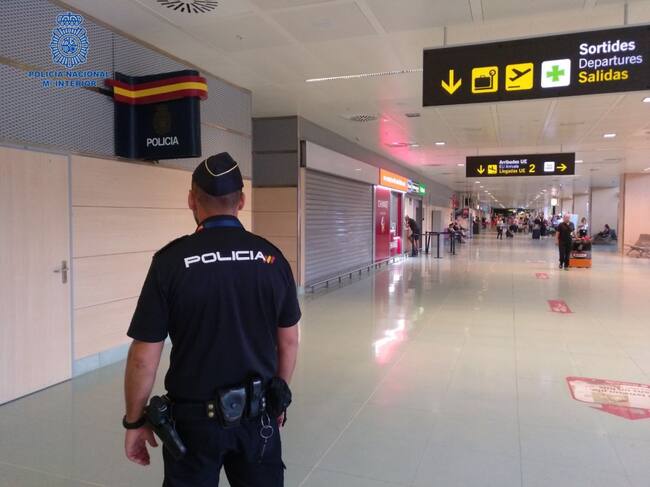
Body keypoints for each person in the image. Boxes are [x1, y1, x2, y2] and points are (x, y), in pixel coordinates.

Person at [122, 153, 301, 487]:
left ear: (192, 200)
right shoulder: (272, 259)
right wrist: (276, 400)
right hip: (257, 416)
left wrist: (134, 421)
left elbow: (143, 358)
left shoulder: (170, 262)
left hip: (192, 424)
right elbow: (289, 342)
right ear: (241, 201)